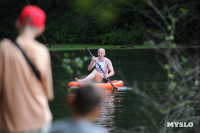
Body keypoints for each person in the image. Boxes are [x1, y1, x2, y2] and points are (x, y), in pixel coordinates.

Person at [0, 5, 53, 133]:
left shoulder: (3, 49)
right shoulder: (42, 51)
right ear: (41, 29)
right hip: (40, 119)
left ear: (18, 23)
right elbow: (48, 93)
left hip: (11, 122)